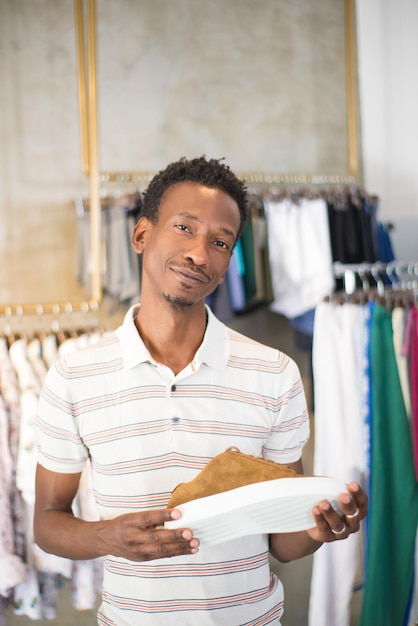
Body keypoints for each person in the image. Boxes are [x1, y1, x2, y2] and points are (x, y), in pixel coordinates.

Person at [34, 156, 367, 625]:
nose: (199, 254)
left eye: (219, 242)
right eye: (184, 228)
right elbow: (47, 522)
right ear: (141, 235)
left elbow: (283, 542)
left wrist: (321, 526)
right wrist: (108, 536)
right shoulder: (74, 376)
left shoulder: (274, 373)